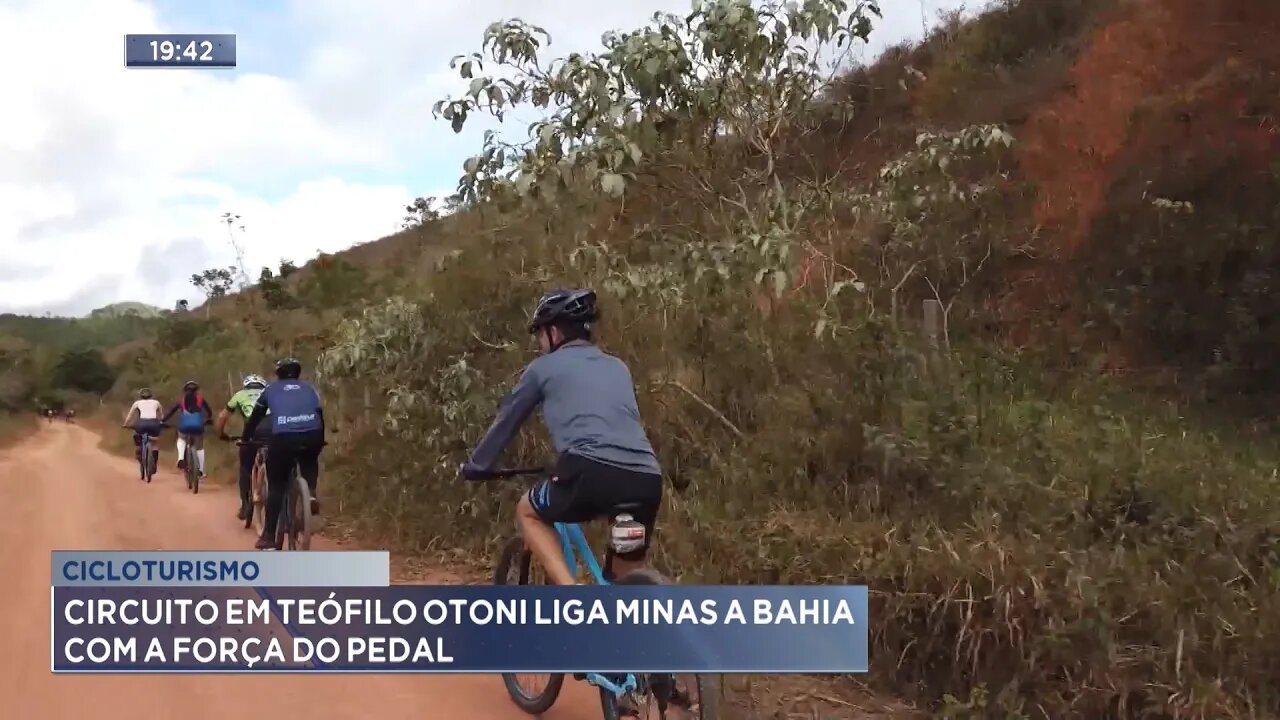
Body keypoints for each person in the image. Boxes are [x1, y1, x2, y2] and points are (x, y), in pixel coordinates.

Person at [460, 288, 664, 587]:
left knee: (528, 511)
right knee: (625, 579)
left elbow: (506, 422)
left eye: (540, 335)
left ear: (554, 332)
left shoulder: (542, 368)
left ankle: (569, 594)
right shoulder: (618, 367)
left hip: (589, 470)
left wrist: (477, 465)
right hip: (645, 478)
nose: (541, 344)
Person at [242, 358, 326, 550]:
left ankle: (269, 537)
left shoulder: (270, 390)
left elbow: (255, 418)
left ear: (278, 374)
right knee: (310, 460)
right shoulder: (309, 388)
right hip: (312, 433)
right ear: (297, 373)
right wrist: (320, 439)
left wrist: (246, 438)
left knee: (277, 485)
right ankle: (310, 493)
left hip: (284, 437)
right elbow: (319, 415)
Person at [216, 374, 271, 521]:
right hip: (275, 429)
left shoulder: (240, 395)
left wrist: (221, 434)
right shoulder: (270, 392)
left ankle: (245, 505)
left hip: (253, 432)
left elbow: (222, 417)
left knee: (246, 467)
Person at [162, 380, 214, 478]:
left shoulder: (181, 400)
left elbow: (171, 411)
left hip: (184, 426)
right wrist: (209, 419)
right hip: (198, 426)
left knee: (181, 438)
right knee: (199, 447)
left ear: (185, 390)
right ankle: (201, 470)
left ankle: (181, 457)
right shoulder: (201, 399)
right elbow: (209, 412)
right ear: (197, 390)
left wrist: (163, 420)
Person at [122, 388, 165, 479]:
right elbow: (161, 416)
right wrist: (161, 422)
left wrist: (126, 424)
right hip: (154, 424)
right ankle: (154, 462)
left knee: (138, 437)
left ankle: (139, 452)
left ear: (141, 396)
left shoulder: (137, 403)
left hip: (141, 424)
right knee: (155, 443)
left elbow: (130, 415)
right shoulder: (156, 402)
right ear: (151, 395)